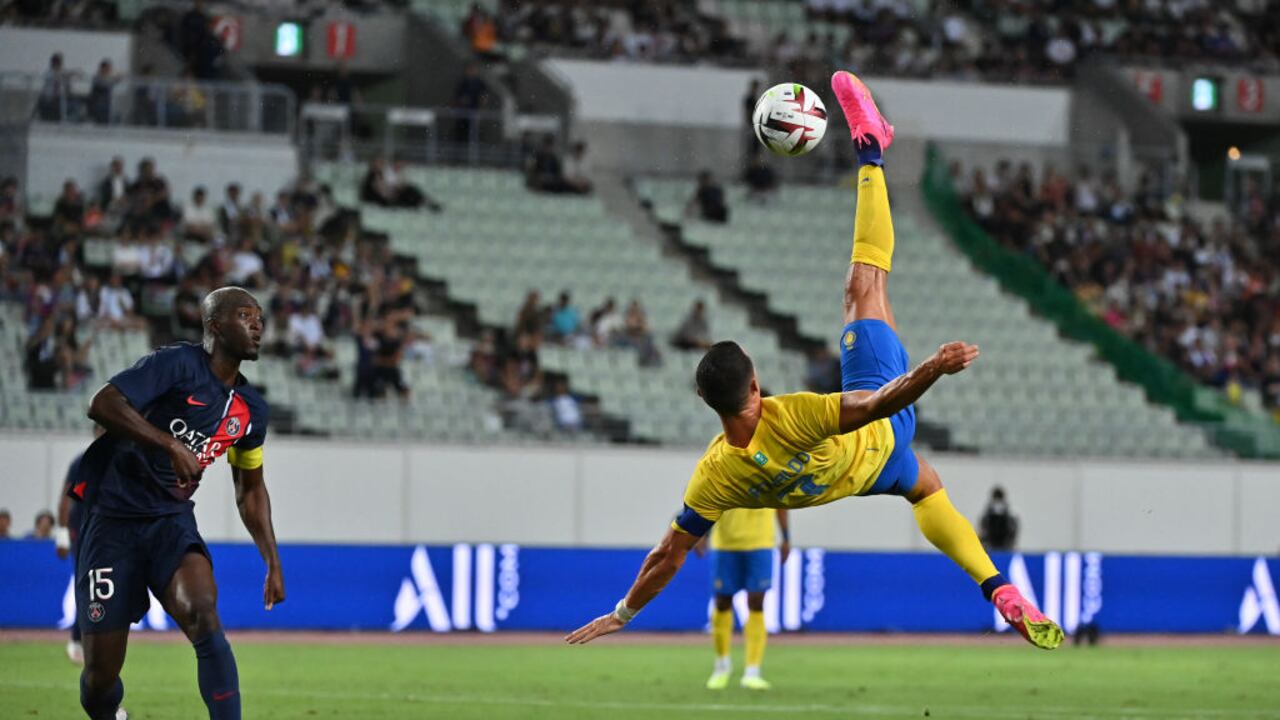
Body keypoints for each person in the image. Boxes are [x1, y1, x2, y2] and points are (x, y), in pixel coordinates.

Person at [566, 72, 1062, 653]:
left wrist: (623, 612)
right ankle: (871, 148)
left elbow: (668, 553)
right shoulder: (791, 415)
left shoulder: (714, 477)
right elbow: (880, 402)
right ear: (755, 385)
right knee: (863, 286)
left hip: (869, 477)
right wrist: (934, 365)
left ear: (706, 402)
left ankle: (999, 588)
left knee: (926, 486)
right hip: (878, 431)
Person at [72, 286, 282, 720]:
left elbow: (250, 489)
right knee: (99, 679)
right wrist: (169, 444)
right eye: (246, 315)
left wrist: (272, 559)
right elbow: (102, 403)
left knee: (204, 614)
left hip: (171, 522)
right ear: (215, 325)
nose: (258, 324)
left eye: (260, 317)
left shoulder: (251, 412)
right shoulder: (176, 364)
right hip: (112, 520)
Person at [698, 508, 789, 691]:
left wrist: (786, 538)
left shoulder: (772, 477)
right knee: (722, 602)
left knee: (756, 602)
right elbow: (701, 492)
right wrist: (698, 531)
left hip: (760, 542)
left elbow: (782, 503)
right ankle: (722, 666)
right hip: (725, 543)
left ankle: (752, 671)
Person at [979, 486, 1019, 551]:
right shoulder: (987, 517)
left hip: (1005, 547)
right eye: (996, 499)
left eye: (999, 499)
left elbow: (1012, 534)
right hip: (990, 546)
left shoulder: (1009, 518)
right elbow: (983, 532)